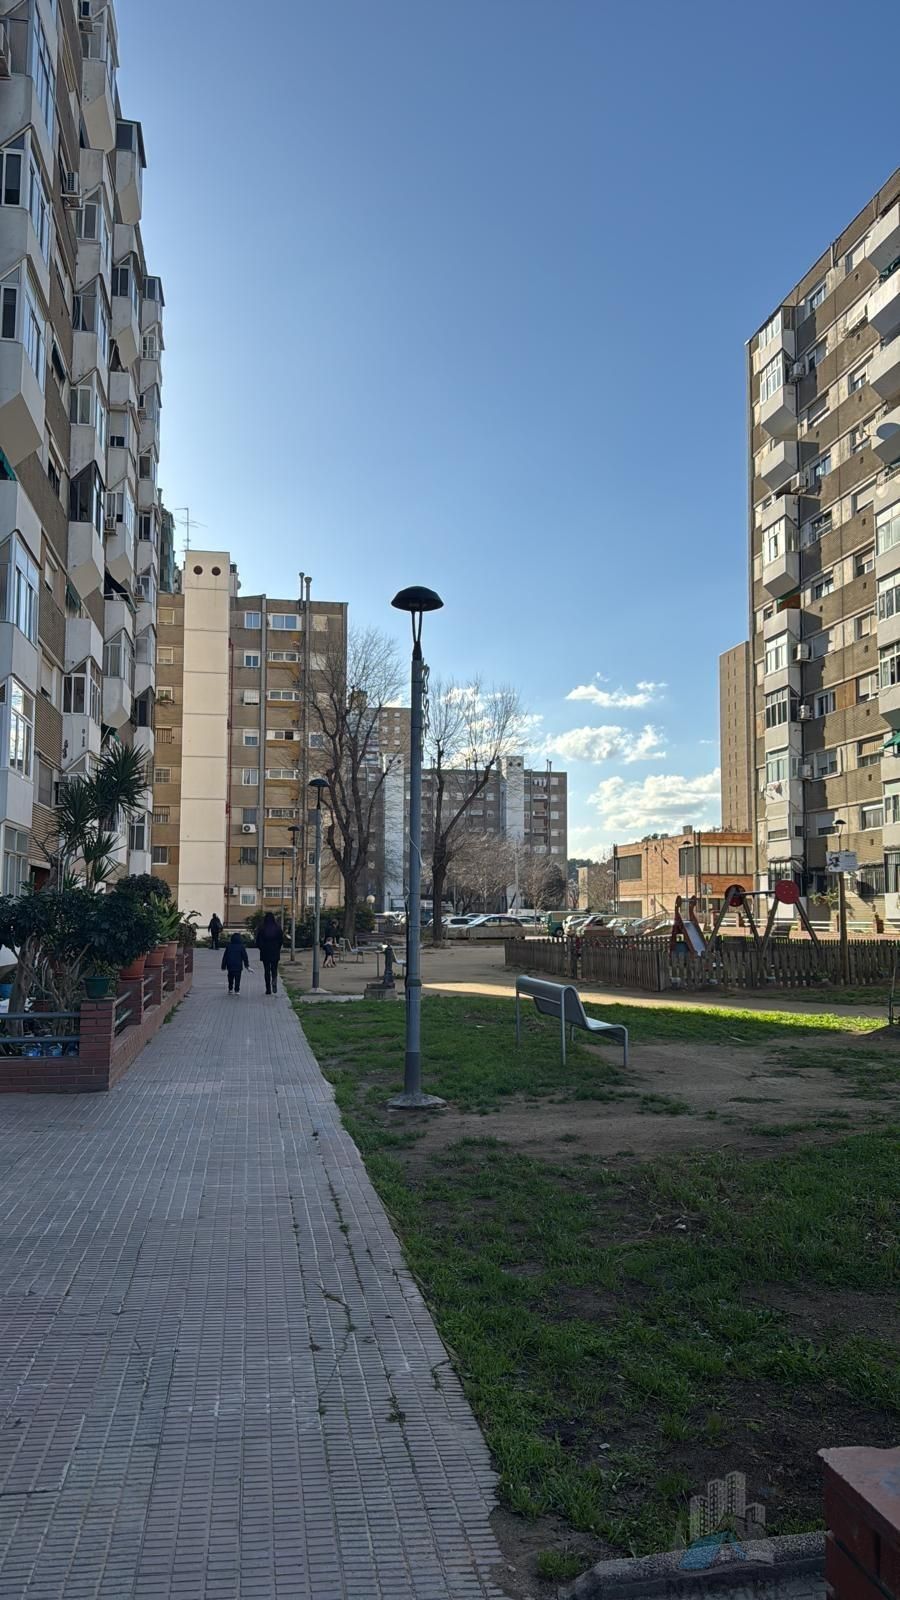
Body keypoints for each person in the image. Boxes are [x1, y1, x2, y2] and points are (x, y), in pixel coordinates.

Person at [256, 911, 285, 995]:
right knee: (274, 968)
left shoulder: (262, 928)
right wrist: (278, 948)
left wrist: (261, 948)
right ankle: (274, 979)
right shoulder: (277, 928)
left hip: (265, 951)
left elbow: (258, 941)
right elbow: (281, 940)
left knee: (266, 970)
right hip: (275, 951)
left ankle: (268, 989)